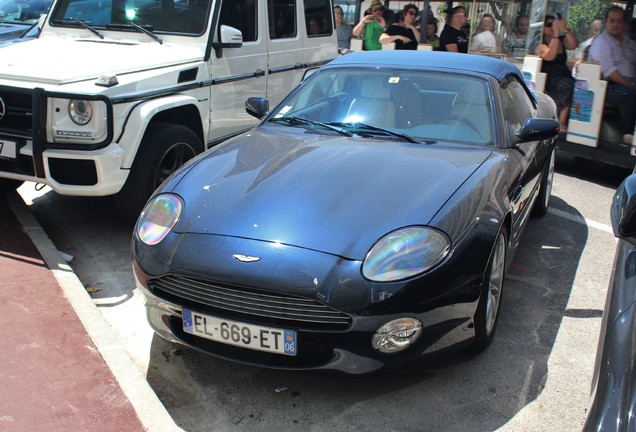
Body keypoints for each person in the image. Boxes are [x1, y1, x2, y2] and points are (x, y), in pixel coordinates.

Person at [588, 6, 636, 143]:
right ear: (605, 22)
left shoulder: (626, 38)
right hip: (608, 84)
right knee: (630, 94)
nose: (616, 24)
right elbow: (611, 72)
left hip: (628, 81)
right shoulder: (602, 43)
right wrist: (632, 86)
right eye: (612, 20)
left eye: (619, 21)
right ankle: (628, 131)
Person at [536, 15, 579, 132]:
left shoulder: (560, 40)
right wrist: (555, 34)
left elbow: (574, 44)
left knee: (574, 85)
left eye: (553, 24)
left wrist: (564, 29)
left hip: (564, 75)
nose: (551, 27)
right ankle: (561, 122)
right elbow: (550, 56)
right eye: (548, 25)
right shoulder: (541, 44)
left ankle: (564, 122)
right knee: (567, 84)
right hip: (550, 78)